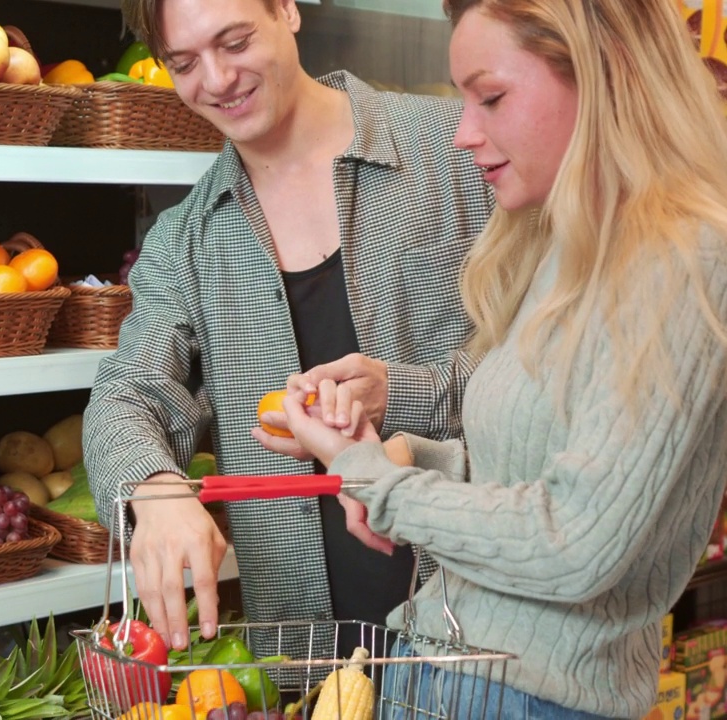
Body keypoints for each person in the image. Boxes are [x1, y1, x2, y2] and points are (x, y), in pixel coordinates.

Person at [262, 0, 727, 716]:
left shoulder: (689, 256)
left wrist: (371, 483)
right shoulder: (568, 247)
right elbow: (531, 470)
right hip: (445, 670)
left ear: (602, 74)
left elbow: (578, 543)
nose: (463, 134)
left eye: (493, 97)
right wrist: (409, 458)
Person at [82, 0, 493, 661]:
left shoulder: (459, 153)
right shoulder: (185, 241)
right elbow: (127, 394)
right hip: (300, 661)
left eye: (235, 41)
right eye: (183, 63)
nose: (215, 80)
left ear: (287, 10)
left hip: (477, 642)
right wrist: (153, 491)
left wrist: (405, 393)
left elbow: (558, 363)